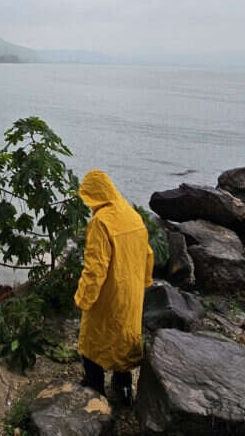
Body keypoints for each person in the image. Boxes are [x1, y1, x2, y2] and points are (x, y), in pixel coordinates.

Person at [74, 169, 153, 404]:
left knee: (91, 343)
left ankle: (95, 391)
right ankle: (125, 391)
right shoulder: (132, 215)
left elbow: (95, 269)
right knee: (124, 342)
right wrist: (144, 283)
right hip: (132, 292)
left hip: (108, 295)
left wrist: (83, 299)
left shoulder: (100, 222)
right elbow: (148, 255)